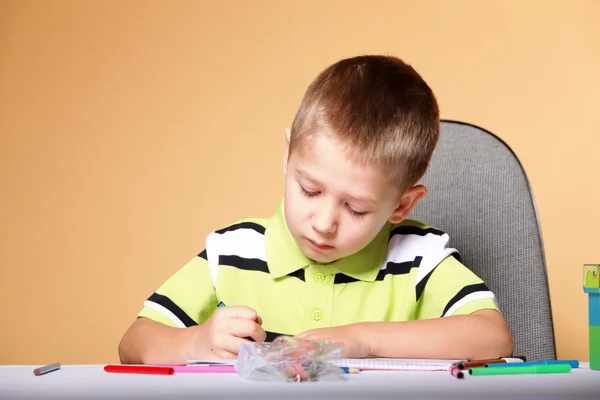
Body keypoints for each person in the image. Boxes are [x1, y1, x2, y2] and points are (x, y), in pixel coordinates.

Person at [118, 55, 513, 365]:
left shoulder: (419, 257)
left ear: (402, 205)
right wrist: (195, 342)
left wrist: (361, 339)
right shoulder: (233, 251)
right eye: (309, 189)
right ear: (287, 156)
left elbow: (493, 337)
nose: (324, 224)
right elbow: (134, 344)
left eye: (356, 209)